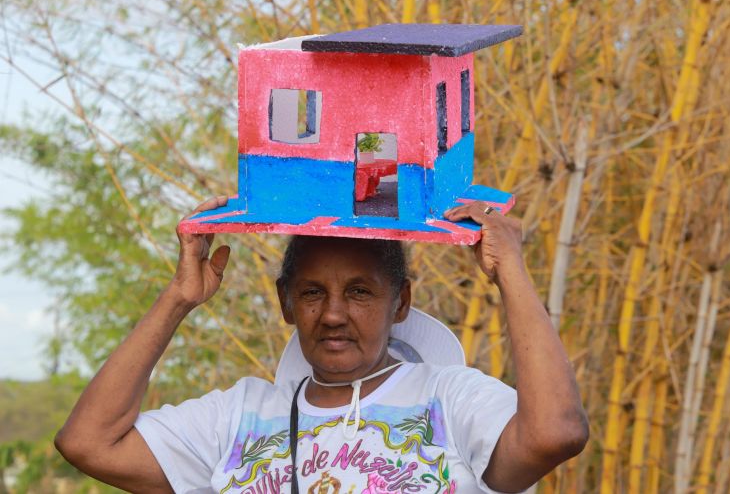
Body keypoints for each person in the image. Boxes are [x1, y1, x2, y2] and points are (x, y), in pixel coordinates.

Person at [55, 196, 588, 493]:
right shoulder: (239, 417)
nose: (333, 314)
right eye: (312, 293)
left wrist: (510, 271)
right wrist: (178, 297)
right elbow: (88, 444)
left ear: (400, 303)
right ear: (286, 304)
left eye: (359, 293)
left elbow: (554, 434)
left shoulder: (447, 400)